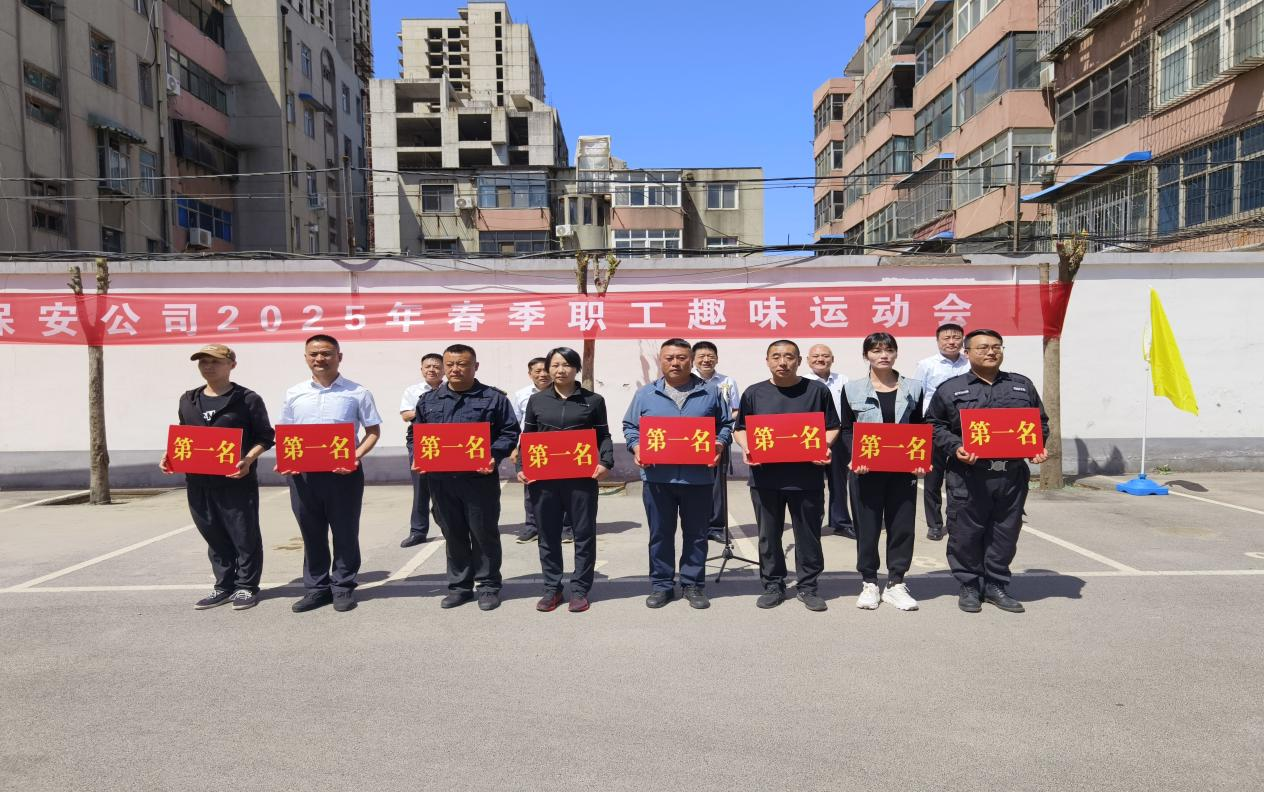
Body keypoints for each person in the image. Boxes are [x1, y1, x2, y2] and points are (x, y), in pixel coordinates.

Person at [927, 328, 1049, 614]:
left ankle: (996, 585)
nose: (991, 352)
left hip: (1010, 475)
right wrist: (955, 446)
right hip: (969, 475)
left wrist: (1036, 446)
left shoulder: (1021, 386)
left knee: (1005, 531)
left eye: (996, 346)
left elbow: (1040, 422)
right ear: (967, 353)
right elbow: (933, 424)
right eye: (982, 347)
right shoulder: (951, 389)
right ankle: (969, 585)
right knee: (965, 532)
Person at [161, 344, 275, 611]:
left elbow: (265, 436)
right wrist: (171, 455)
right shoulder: (188, 399)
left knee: (244, 534)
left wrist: (248, 459)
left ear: (231, 365)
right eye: (203, 361)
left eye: (215, 361)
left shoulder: (247, 399)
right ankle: (224, 585)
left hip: (236, 480)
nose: (208, 366)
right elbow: (185, 435)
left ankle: (246, 586)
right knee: (212, 533)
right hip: (198, 481)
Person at [623, 338, 733, 610]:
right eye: (669, 358)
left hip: (698, 477)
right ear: (661, 360)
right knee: (660, 534)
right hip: (657, 477)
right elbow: (630, 426)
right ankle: (662, 585)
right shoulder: (646, 394)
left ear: (691, 360)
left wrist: (719, 443)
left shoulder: (710, 392)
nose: (675, 363)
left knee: (696, 534)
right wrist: (637, 447)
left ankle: (692, 584)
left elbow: (725, 424)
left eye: (681, 358)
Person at [733, 340, 839, 612]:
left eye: (789, 357)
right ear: (767, 360)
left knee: (808, 536)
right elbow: (741, 428)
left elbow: (832, 426)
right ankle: (773, 585)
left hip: (807, 477)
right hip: (765, 478)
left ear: (799, 361)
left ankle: (808, 586)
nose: (783, 362)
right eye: (776, 356)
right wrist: (747, 447)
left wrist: (824, 445)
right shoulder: (754, 393)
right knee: (769, 536)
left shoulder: (816, 391)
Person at [413, 343, 520, 611]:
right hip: (441, 481)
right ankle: (460, 586)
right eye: (450, 364)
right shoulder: (428, 400)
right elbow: (414, 435)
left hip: (479, 480)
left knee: (483, 533)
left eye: (462, 364)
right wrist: (417, 456)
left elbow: (509, 432)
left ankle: (488, 586)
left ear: (475, 366)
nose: (455, 369)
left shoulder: (494, 398)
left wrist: (493, 455)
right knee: (453, 533)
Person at [279, 335, 382, 614]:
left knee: (345, 531)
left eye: (326, 353)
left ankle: (343, 586)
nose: (319, 359)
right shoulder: (294, 393)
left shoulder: (357, 392)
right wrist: (285, 460)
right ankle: (316, 589)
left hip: (344, 474)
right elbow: (286, 433)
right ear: (306, 358)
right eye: (313, 354)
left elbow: (373, 431)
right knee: (311, 532)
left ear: (339, 357)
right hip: (303, 476)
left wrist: (355, 456)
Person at [519, 347, 614, 614]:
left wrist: (606, 462)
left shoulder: (593, 400)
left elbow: (604, 436)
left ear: (576, 369)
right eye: (555, 365)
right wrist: (521, 466)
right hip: (544, 479)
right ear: (548, 368)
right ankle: (552, 588)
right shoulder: (537, 401)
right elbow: (528, 436)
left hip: (581, 479)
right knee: (548, 535)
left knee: (583, 534)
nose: (560, 370)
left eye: (567, 365)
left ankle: (580, 589)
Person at [841, 333, 927, 612]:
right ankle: (869, 581)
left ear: (896, 353)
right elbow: (846, 429)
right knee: (867, 527)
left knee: (902, 526)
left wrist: (920, 459)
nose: (883, 355)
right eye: (876, 350)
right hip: (866, 470)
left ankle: (896, 583)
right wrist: (855, 457)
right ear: (866, 355)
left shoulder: (914, 388)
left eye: (889, 350)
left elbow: (920, 426)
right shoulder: (852, 389)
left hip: (902, 470)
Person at [913, 323, 969, 542]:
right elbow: (917, 395)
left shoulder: (969, 362)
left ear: (963, 340)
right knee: (933, 478)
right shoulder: (927, 365)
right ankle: (935, 524)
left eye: (956, 337)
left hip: (963, 427)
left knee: (963, 478)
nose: (951, 342)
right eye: (946, 338)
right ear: (938, 341)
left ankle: (958, 521)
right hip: (934, 425)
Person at [511, 357, 572, 544]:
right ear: (530, 374)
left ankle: (566, 528)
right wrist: (515, 448)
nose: (542, 374)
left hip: (560, 447)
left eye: (545, 370)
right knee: (532, 490)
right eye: (537, 371)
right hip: (533, 448)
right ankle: (532, 527)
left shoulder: (565, 392)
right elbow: (515, 424)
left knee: (564, 489)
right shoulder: (521, 395)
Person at [805, 343, 855, 539]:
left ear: (832, 359)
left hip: (839, 436)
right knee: (814, 483)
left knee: (839, 481)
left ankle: (840, 522)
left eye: (825, 356)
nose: (820, 359)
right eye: (815, 356)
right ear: (808, 360)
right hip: (811, 437)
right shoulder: (803, 382)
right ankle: (813, 523)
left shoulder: (843, 380)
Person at [691, 341, 740, 542]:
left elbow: (736, 410)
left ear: (717, 359)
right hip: (692, 438)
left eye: (710, 356)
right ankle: (696, 525)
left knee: (718, 484)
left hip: (719, 437)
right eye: (701, 356)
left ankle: (716, 526)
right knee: (693, 483)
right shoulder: (687, 380)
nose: (706, 360)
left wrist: (720, 425)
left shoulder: (727, 381)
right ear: (693, 359)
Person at [399, 352, 444, 547]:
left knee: (446, 486)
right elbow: (405, 415)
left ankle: (447, 524)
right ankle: (418, 531)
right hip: (422, 441)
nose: (432, 370)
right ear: (422, 369)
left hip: (447, 441)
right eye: (428, 367)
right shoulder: (413, 390)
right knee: (421, 487)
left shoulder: (451, 388)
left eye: (436, 366)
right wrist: (432, 409)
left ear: (444, 369)